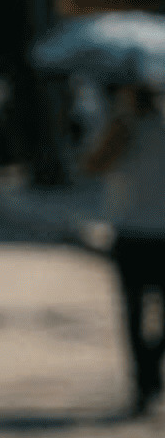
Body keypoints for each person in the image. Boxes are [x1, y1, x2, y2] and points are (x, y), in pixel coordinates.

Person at [82, 82, 165, 417]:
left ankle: (144, 377)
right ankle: (150, 369)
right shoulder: (129, 128)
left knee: (133, 312)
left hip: (131, 232)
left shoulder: (120, 129)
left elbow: (92, 165)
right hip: (150, 232)